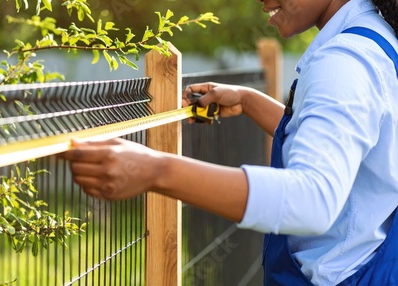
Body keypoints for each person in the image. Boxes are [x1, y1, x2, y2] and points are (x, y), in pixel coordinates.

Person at [63, 0, 398, 284]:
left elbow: (313, 200)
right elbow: (355, 147)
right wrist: (251, 102)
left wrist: (156, 170)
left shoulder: (344, 63)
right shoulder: (374, 39)